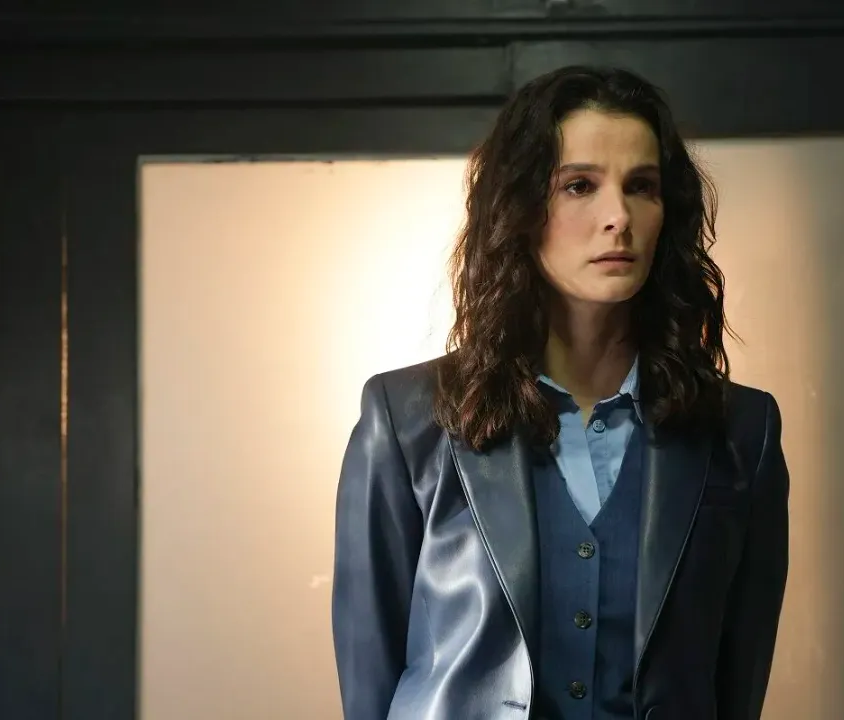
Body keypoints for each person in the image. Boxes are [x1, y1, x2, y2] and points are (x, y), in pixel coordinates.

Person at [332, 65, 790, 720]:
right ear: (520, 208)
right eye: (579, 185)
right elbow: (370, 677)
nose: (618, 217)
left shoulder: (742, 431)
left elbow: (737, 684)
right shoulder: (405, 421)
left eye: (642, 187)